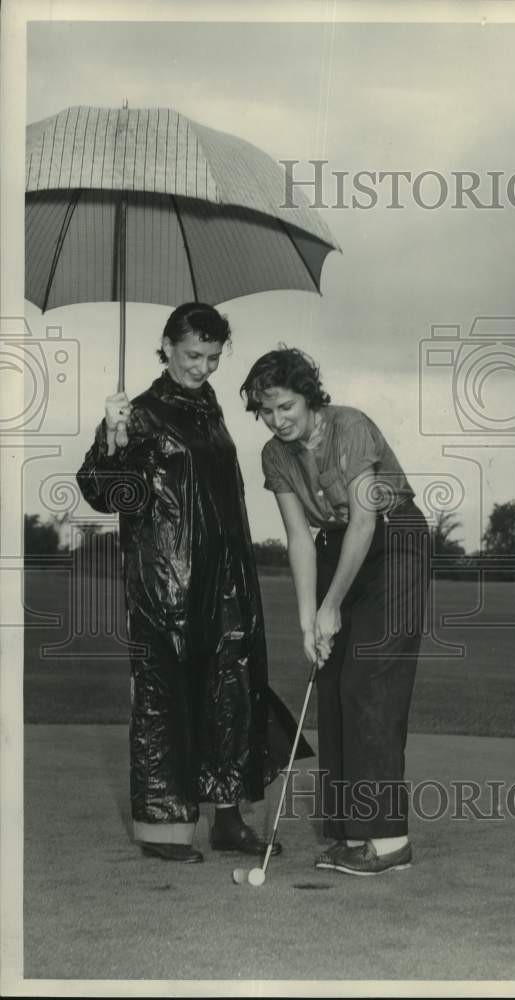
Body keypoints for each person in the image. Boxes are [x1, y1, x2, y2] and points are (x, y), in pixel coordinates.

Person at [76, 303, 311, 863]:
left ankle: (228, 822)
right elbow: (101, 492)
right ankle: (164, 829)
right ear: (167, 345)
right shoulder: (138, 414)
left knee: (232, 689)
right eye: (192, 355)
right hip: (166, 585)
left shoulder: (209, 408)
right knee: (167, 695)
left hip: (226, 579)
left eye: (211, 356)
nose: (203, 366)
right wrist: (112, 440)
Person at [240, 347, 430, 876]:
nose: (277, 420)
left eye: (286, 407)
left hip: (394, 546)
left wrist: (331, 603)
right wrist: (309, 618)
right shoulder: (274, 455)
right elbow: (300, 537)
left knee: (369, 682)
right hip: (334, 548)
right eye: (266, 411)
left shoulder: (351, 427)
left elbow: (366, 524)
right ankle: (352, 836)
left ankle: (389, 842)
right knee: (334, 684)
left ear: (310, 397)